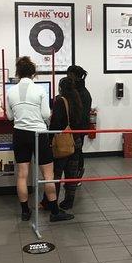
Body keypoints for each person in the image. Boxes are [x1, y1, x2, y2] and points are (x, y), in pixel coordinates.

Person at [6, 56, 73, 222]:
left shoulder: (10, 92)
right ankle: (55, 212)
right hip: (39, 134)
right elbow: (45, 115)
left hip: (19, 133)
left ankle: (25, 212)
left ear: (18, 73)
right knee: (48, 175)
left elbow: (9, 116)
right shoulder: (40, 91)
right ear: (33, 73)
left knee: (22, 174)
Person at [50, 77, 83, 209]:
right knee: (71, 174)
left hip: (63, 142)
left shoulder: (60, 101)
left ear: (61, 87)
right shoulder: (77, 100)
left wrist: (49, 139)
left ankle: (53, 202)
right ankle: (69, 201)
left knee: (56, 174)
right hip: (76, 141)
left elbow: (55, 123)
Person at [67, 65, 91, 184]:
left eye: (69, 75)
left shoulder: (81, 93)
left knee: (77, 151)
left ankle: (77, 176)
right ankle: (73, 176)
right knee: (75, 151)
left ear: (74, 76)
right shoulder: (76, 91)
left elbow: (80, 114)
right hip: (75, 126)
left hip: (78, 127)